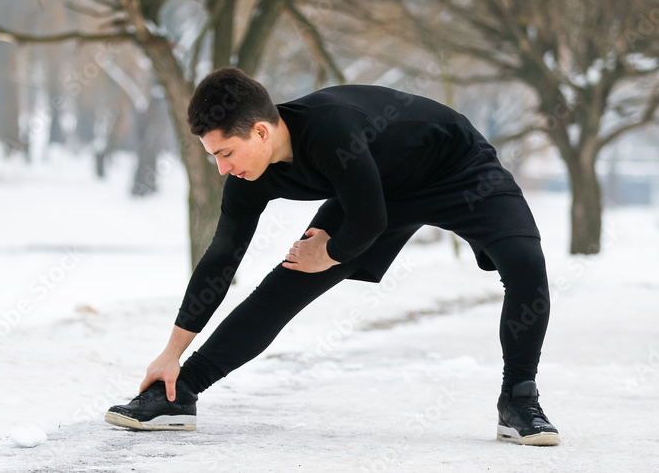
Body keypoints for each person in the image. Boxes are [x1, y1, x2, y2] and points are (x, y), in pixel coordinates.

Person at [105, 67, 559, 446]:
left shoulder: (329, 129)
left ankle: (519, 400)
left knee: (526, 269)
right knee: (286, 284)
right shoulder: (247, 174)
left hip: (458, 169)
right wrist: (170, 353)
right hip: (373, 189)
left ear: (261, 131)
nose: (223, 168)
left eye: (226, 152)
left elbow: (367, 222)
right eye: (214, 157)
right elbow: (220, 259)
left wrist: (332, 252)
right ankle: (179, 393)